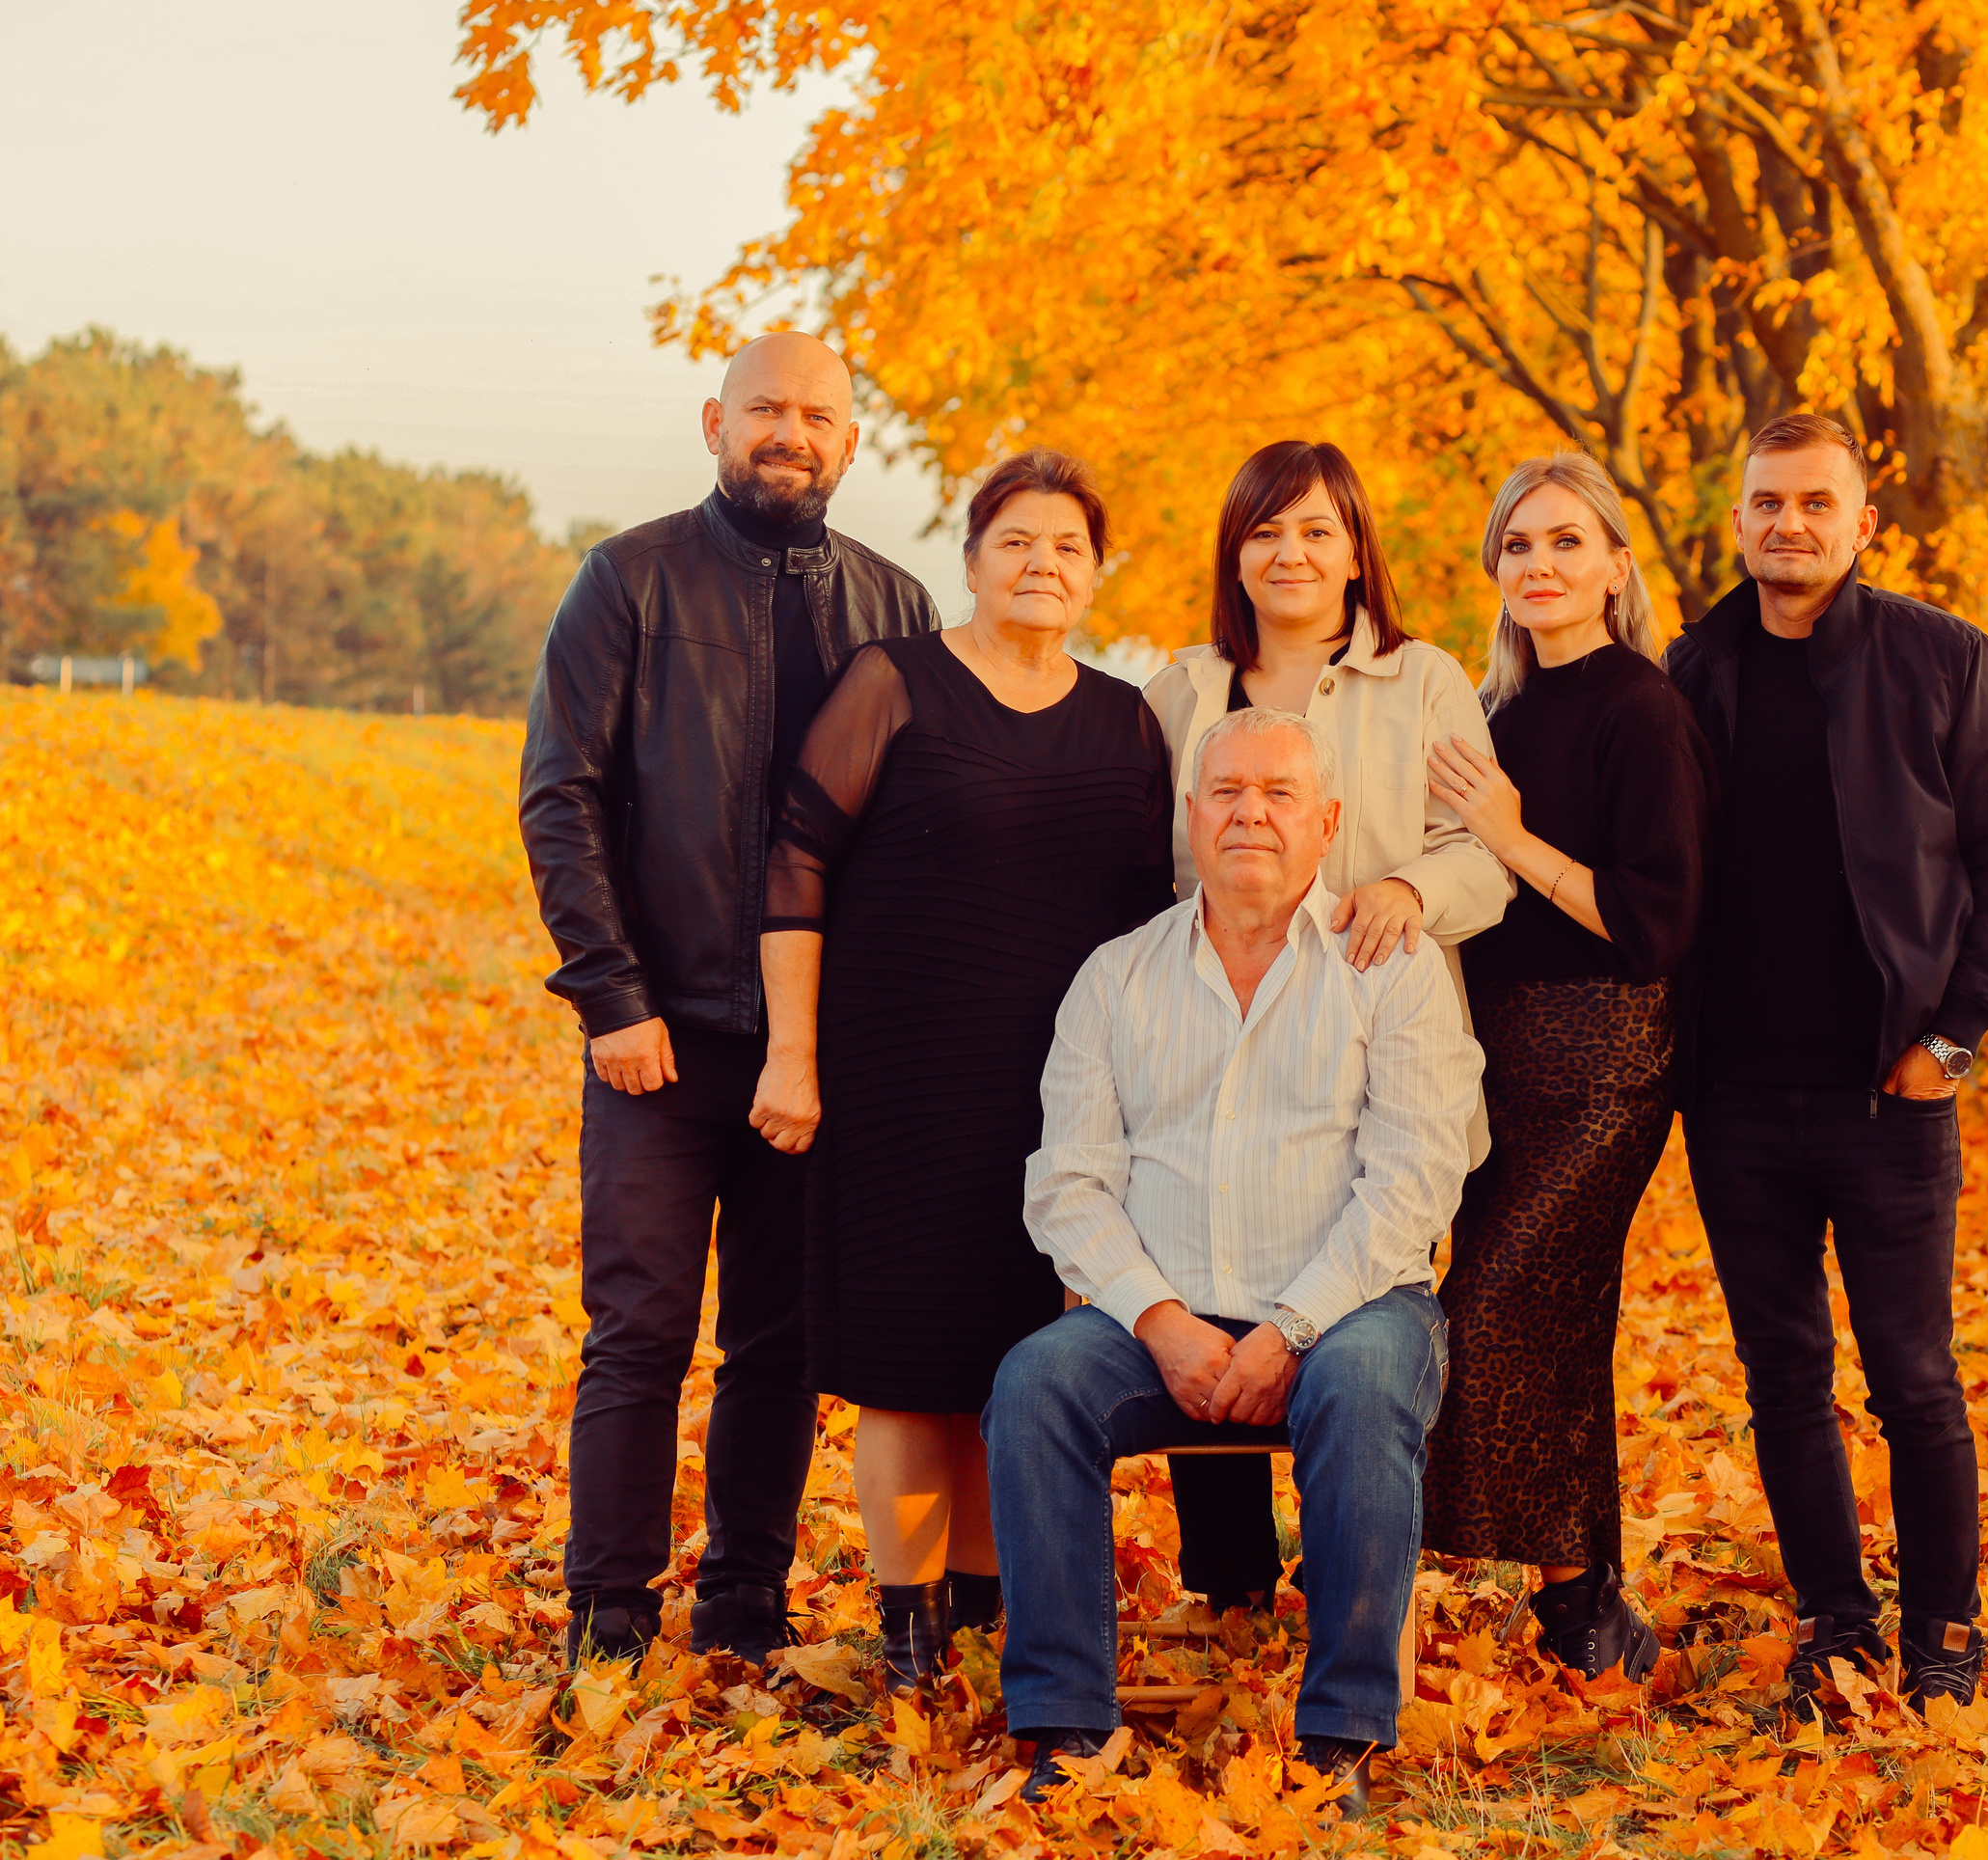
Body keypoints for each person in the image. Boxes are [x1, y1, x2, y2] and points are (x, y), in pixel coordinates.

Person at [518, 333, 940, 1668]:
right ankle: (611, 1608)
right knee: (640, 1327)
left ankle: (744, 1597)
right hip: (660, 1037)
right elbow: (563, 795)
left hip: (810, 1054)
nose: (791, 434)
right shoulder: (628, 579)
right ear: (716, 420)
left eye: (819, 416)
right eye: (767, 409)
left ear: (851, 443)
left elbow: (921, 834)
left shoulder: (899, 608)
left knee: (782, 1341)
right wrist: (611, 998)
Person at [994, 706, 1481, 1817]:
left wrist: (1291, 1326)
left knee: (1361, 1391)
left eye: (1277, 793)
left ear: (1326, 822)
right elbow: (1067, 1181)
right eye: (1226, 791)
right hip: (1153, 1310)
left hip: (1351, 1306)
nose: (1250, 812)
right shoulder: (1116, 976)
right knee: (1034, 1384)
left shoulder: (1392, 971)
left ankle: (1339, 1740)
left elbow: (1413, 1178)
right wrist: (1159, 1318)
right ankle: (1065, 1726)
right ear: (1190, 814)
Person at [747, 448, 1174, 1689]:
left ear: (1096, 576)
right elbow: (796, 863)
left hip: (1061, 1104)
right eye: (1016, 542)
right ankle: (907, 1626)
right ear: (974, 559)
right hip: (900, 1087)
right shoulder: (896, 682)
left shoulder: (1127, 717)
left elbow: (1148, 922)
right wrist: (792, 1053)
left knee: (1016, 1365)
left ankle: (988, 1614)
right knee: (904, 1366)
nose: (1042, 564)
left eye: (1068, 547)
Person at [1663, 412, 1988, 1715]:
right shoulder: (1694, 669)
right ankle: (1837, 1621)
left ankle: (1947, 1625)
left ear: (1861, 523)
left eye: (1817, 505)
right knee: (1783, 1377)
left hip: (1893, 1095)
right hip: (1736, 1100)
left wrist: (1952, 1039)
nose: (1792, 526)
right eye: (1769, 505)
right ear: (1738, 523)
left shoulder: (1941, 659)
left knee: (1913, 1375)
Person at [1143, 438, 1511, 1618]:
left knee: (1354, 1303)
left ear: (1356, 549)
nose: (1289, 551)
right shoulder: (1179, 688)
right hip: (1214, 1032)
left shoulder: (1425, 681)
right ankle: (1231, 1580)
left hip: (1378, 1046)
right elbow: (1140, 863)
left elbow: (1480, 853)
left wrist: (1411, 892)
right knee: (1204, 1269)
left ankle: (1353, 1586)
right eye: (1264, 530)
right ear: (1233, 553)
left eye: (1314, 528)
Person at [1418, 453, 1717, 1679]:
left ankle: (1569, 1589)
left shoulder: (1640, 705)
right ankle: (1592, 1606)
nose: (1540, 565)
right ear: (1494, 569)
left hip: (1604, 1052)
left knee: (1490, 1306)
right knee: (1553, 1316)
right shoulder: (1488, 715)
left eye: (1566, 542)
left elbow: (1656, 922)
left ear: (1612, 564)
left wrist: (1507, 834)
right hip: (1488, 1050)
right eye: (1519, 546)